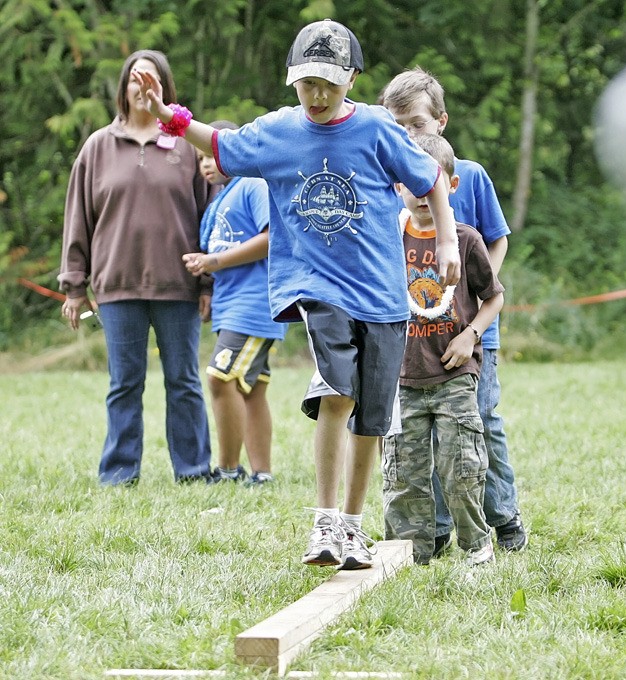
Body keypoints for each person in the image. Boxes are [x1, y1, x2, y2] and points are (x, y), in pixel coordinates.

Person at [132, 18, 461, 569]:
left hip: (382, 295)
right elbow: (220, 143)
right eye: (307, 83)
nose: (318, 95)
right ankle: (324, 521)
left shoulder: (377, 128)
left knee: (369, 417)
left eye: (329, 84)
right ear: (293, 80)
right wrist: (167, 115)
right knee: (336, 391)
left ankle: (351, 526)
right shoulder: (280, 132)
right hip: (317, 287)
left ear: (351, 79)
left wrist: (447, 241)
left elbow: (429, 180)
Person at [380, 67, 527, 552]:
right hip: (415, 340)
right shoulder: (390, 182)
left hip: (470, 330)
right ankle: (437, 529)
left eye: (417, 123)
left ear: (441, 121)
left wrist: (470, 302)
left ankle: (503, 518)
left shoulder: (470, 174)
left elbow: (497, 241)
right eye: (398, 126)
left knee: (478, 422)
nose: (408, 135)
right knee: (422, 435)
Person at [59, 49, 212, 486]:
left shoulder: (187, 145)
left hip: (178, 286)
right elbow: (78, 218)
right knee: (124, 382)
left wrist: (208, 283)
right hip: (117, 285)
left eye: (151, 79)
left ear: (165, 88)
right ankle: (119, 473)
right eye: (134, 79)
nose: (142, 87)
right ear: (123, 89)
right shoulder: (97, 147)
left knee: (183, 381)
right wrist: (74, 285)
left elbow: (208, 217)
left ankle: (193, 470)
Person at [383, 133, 503, 566]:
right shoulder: (388, 237)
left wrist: (471, 335)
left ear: (450, 186)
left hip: (454, 374)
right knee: (403, 472)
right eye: (411, 185)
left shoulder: (465, 240)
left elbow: (494, 297)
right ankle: (405, 554)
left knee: (461, 467)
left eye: (429, 185)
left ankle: (476, 549)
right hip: (402, 377)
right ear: (397, 185)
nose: (420, 195)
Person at [188, 120, 286, 486]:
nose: (206, 164)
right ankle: (262, 473)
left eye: (212, 155)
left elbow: (273, 236)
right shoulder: (221, 199)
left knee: (219, 378)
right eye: (200, 158)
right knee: (252, 388)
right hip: (231, 306)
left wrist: (214, 261)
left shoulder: (253, 184)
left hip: (254, 305)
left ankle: (228, 470)